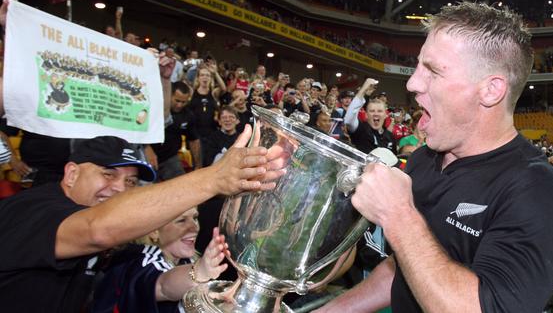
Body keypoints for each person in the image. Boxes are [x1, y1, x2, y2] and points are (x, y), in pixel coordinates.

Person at [316, 2, 553, 313]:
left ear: (491, 91)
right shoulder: (423, 160)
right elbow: (408, 266)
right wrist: (333, 310)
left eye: (433, 70)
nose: (412, 83)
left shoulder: (537, 191)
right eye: (417, 66)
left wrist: (399, 216)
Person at [0, 128, 284, 312]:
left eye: (131, 182)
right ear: (72, 173)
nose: (120, 189)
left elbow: (159, 286)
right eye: (108, 174)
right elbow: (97, 228)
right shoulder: (37, 209)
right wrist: (214, 177)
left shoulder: (117, 250)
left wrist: (200, 270)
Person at [92, 208, 229, 313]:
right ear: (154, 231)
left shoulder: (185, 261)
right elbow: (163, 286)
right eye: (181, 220)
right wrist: (199, 272)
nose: (195, 227)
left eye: (195, 218)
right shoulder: (140, 261)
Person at [344, 78, 396, 154]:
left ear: (386, 115)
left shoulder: (390, 137)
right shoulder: (361, 129)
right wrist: (363, 89)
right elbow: (348, 119)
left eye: (380, 111)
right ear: (366, 115)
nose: (376, 113)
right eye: (372, 111)